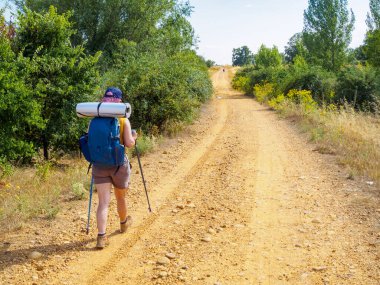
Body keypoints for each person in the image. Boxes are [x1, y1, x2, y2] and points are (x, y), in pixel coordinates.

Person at [93, 87, 137, 249]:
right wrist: (134, 136)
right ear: (119, 100)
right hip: (118, 165)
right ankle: (123, 223)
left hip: (99, 164)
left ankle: (101, 237)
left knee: (103, 202)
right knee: (120, 197)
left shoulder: (95, 117)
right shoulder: (123, 119)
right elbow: (129, 144)